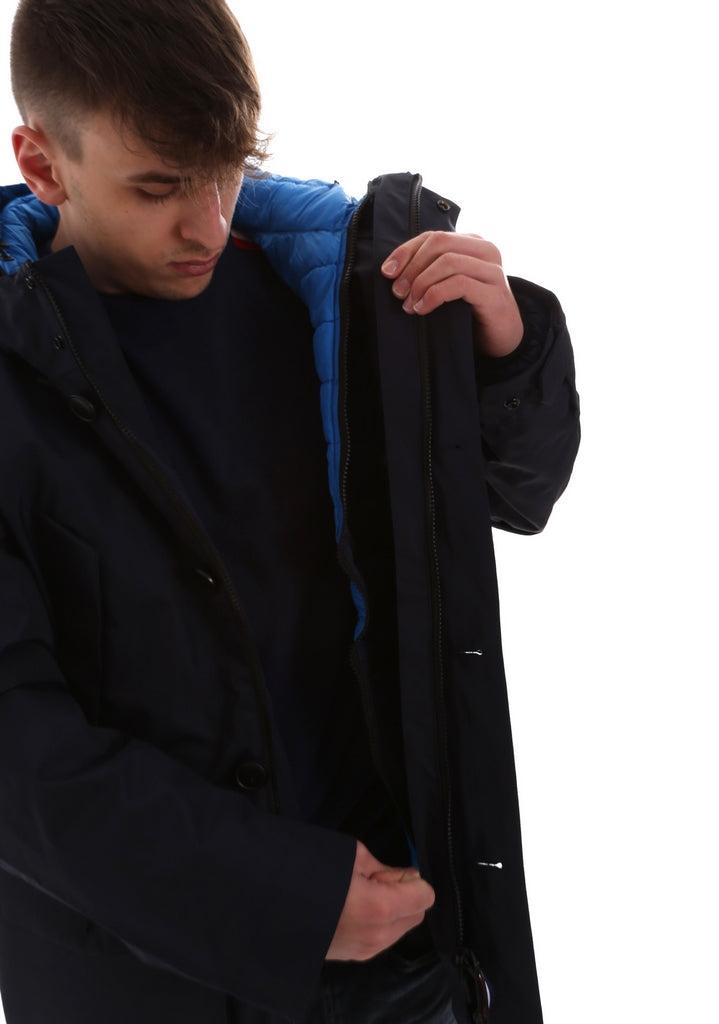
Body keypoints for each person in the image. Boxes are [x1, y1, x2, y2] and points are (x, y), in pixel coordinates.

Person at [0, 1, 580, 1022]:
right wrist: (285, 901)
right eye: (157, 188)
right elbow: (19, 751)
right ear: (43, 164)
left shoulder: (341, 292)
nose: (207, 223)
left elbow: (517, 492)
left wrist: (504, 350)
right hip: (142, 981)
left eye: (226, 169)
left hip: (409, 958)